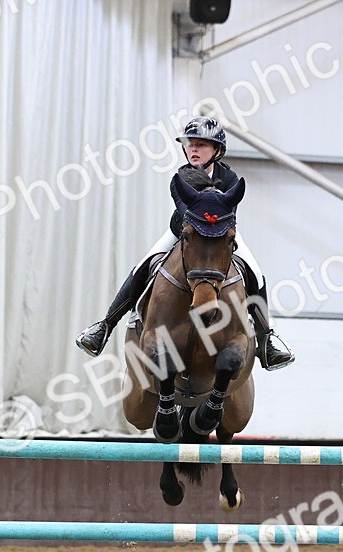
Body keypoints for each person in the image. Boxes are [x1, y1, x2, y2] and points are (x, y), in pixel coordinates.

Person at [74, 116, 295, 370]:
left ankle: (268, 339)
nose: (193, 149)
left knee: (255, 273)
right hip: (183, 234)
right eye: (190, 144)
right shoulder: (180, 179)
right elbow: (187, 214)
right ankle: (105, 326)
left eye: (201, 144)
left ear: (217, 150)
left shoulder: (230, 178)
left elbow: (229, 212)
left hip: (220, 237)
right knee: (142, 267)